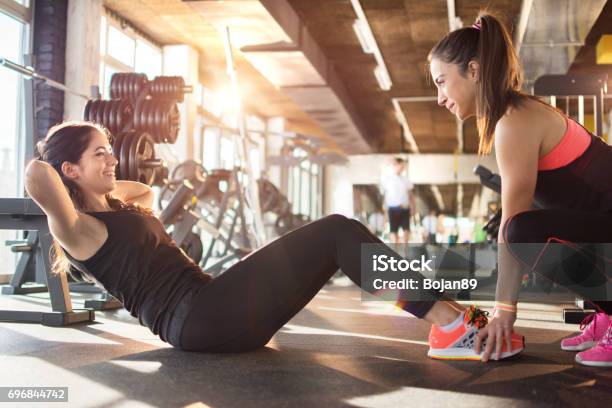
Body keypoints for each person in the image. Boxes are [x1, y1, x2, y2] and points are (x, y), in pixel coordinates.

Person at [26, 121, 523, 360]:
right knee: (334, 231)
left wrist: (93, 174)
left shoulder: (118, 209)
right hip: (199, 319)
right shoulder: (77, 229)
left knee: (339, 239)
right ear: (68, 169)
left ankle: (456, 319)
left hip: (210, 313)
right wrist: (57, 161)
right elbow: (36, 174)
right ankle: (451, 327)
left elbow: (147, 189)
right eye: (99, 153)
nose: (112, 158)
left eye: (111, 150)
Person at [429, 12, 612, 366]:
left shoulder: (515, 121)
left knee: (520, 230)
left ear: (474, 70)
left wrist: (504, 312)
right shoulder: (512, 116)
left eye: (441, 81)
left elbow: (514, 227)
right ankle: (605, 313)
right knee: (525, 226)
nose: (439, 97)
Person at [380, 157, 415, 244]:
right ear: (396, 165)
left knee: (406, 230)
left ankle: (405, 254)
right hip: (392, 209)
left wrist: (413, 208)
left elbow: (411, 196)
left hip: (404, 208)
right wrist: (385, 213)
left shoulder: (406, 180)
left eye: (403, 166)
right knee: (393, 231)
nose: (403, 168)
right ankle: (394, 253)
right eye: (401, 165)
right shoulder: (387, 180)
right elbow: (385, 198)